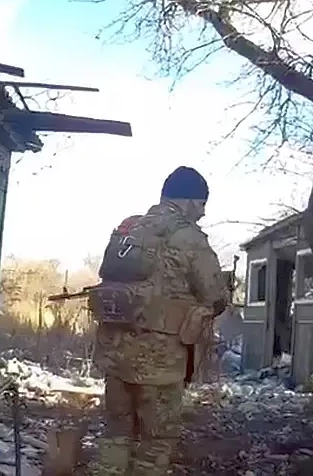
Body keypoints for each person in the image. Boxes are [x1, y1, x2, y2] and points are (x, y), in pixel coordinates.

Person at [87, 166, 230, 476]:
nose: (203, 213)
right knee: (155, 445)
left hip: (114, 355)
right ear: (189, 202)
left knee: (116, 435)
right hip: (159, 363)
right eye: (201, 204)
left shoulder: (130, 228)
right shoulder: (188, 238)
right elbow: (216, 295)